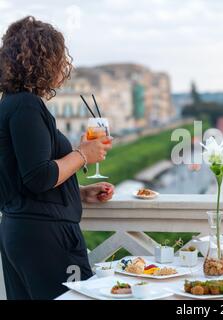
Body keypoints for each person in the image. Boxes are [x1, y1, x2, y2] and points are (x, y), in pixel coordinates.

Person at [0, 16, 114, 299]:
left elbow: (23, 178)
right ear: (45, 60)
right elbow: (39, 176)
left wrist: (80, 191)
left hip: (22, 233)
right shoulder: (27, 105)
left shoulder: (10, 104)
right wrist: (83, 154)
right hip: (45, 237)